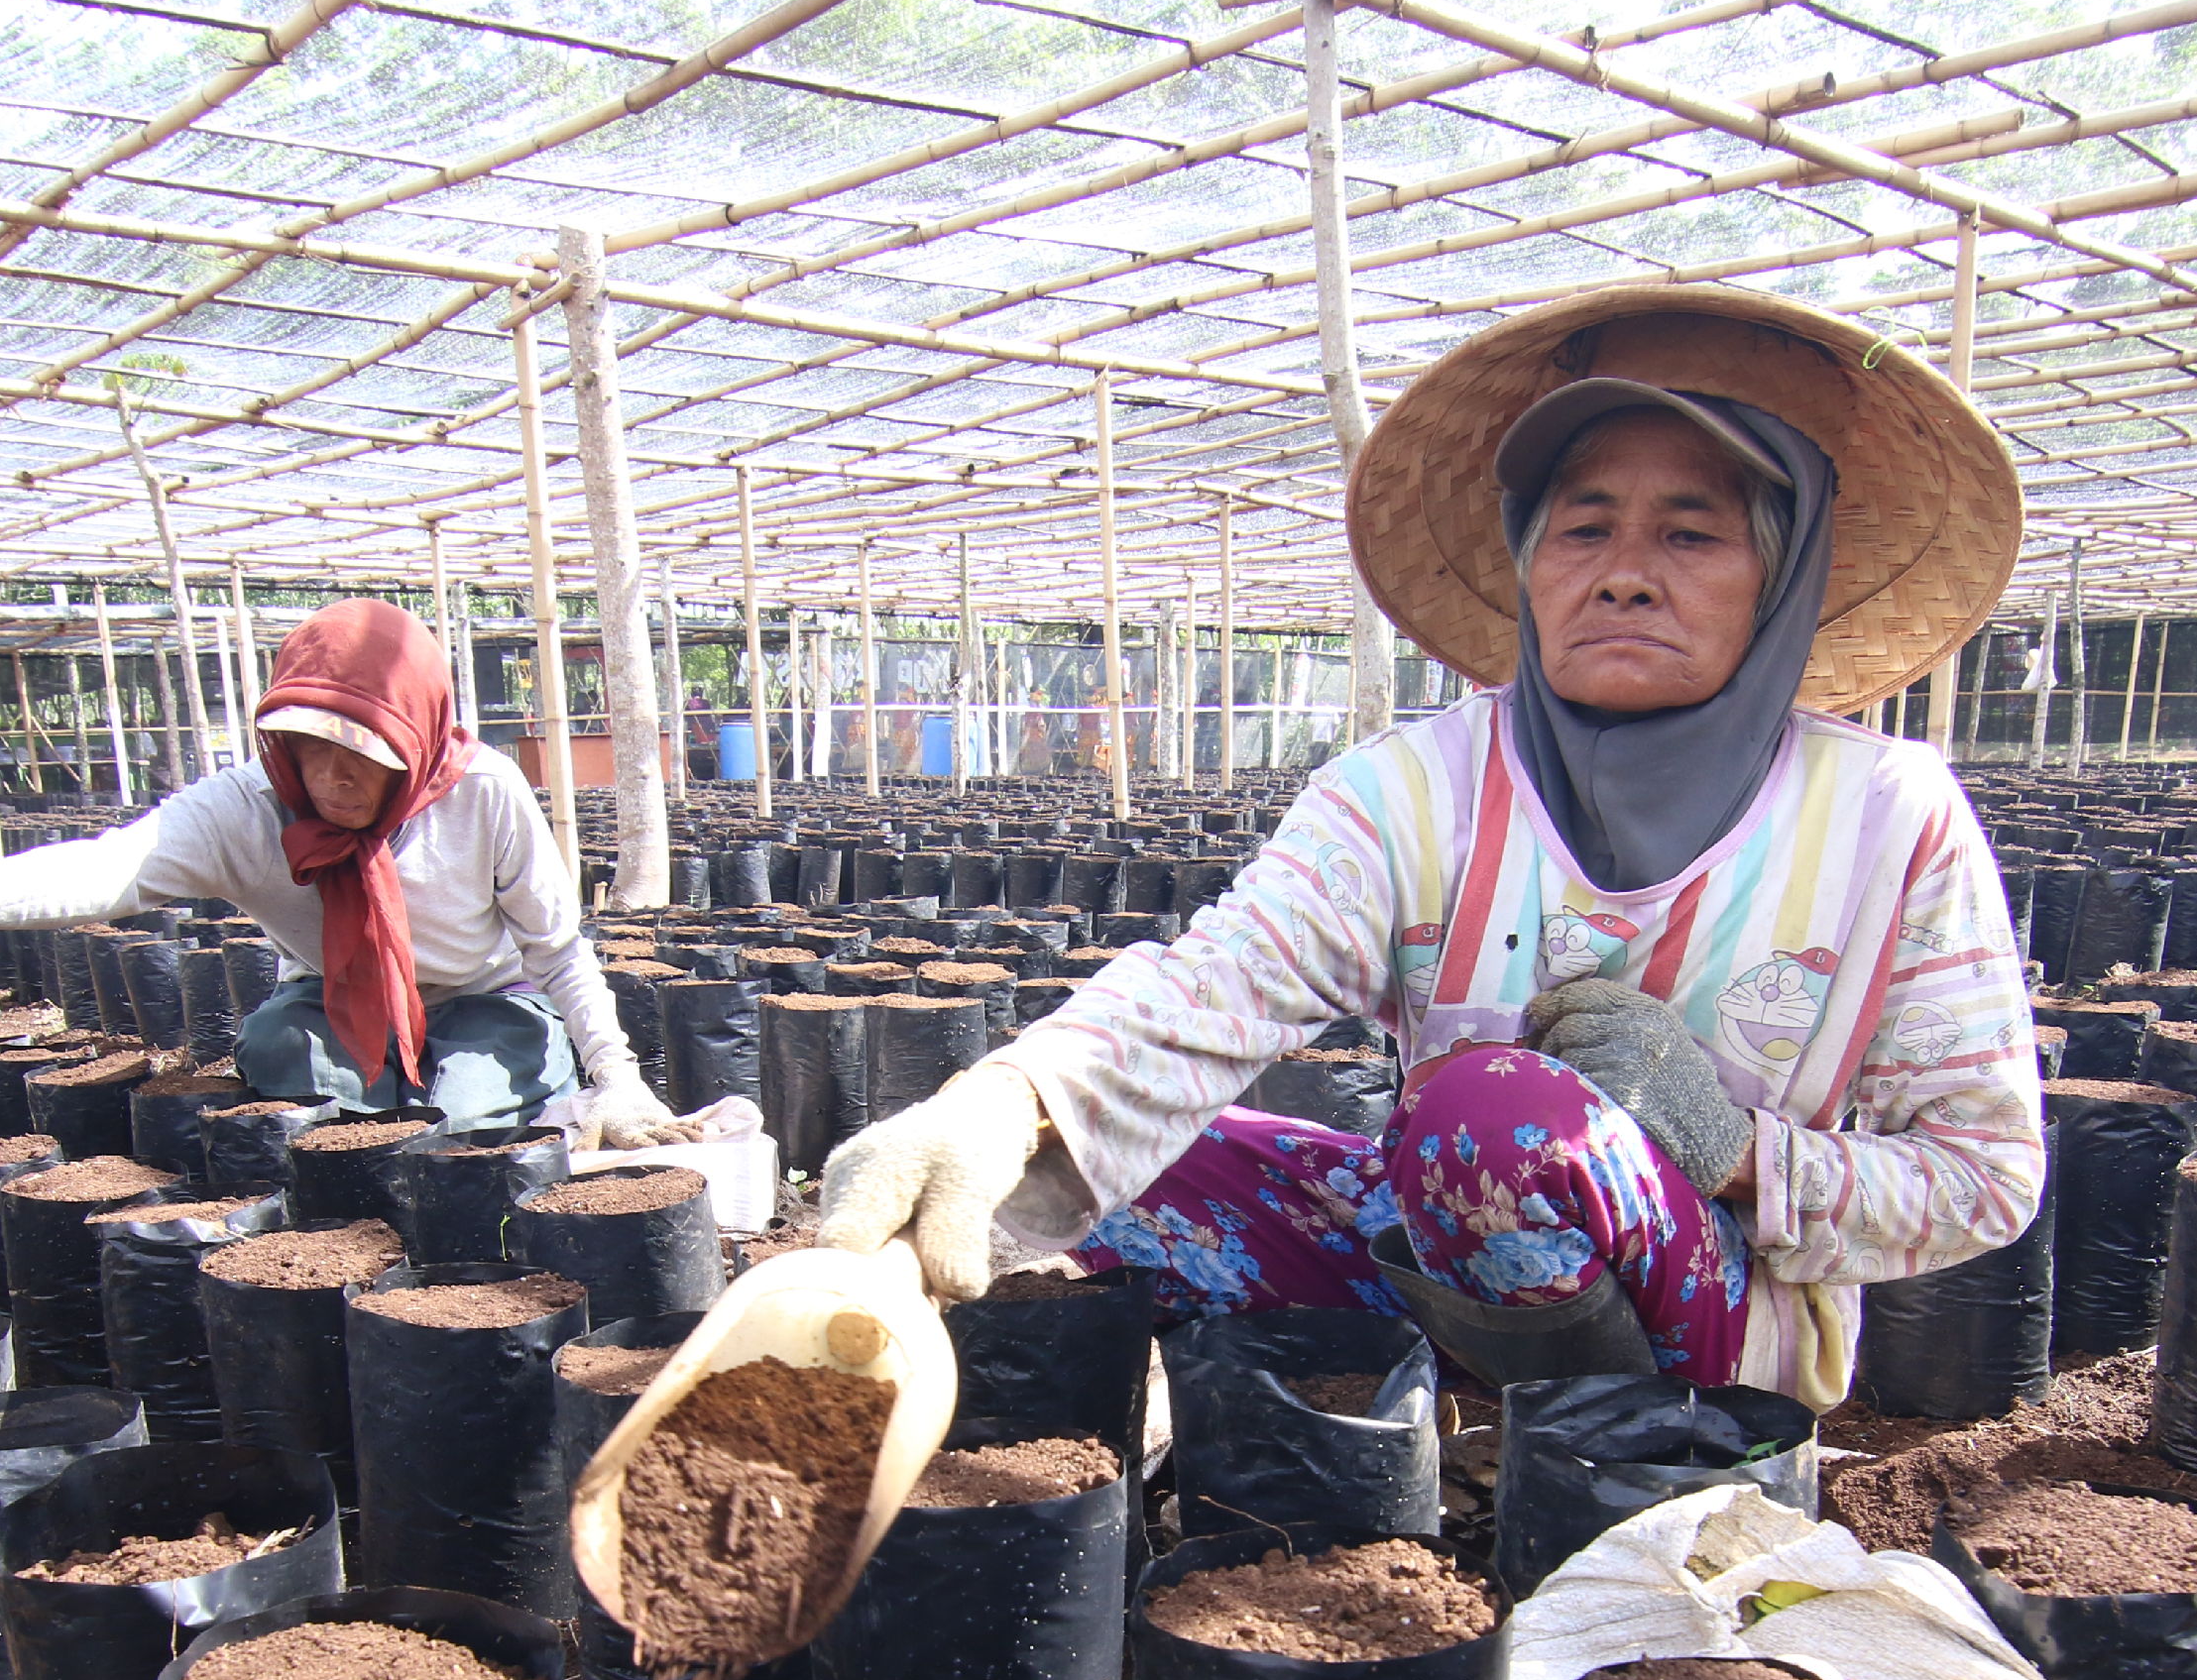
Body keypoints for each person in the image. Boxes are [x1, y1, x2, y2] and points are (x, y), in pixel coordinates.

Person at [817, 282, 2040, 1409]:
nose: (1624, 576)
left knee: (1494, 1115)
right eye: (1583, 529)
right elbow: (1221, 980)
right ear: (1527, 561)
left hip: (1716, 1329)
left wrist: (1730, 1154)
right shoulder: (1413, 789)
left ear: (1780, 573)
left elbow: (1986, 1176)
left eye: (1690, 534)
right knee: (1141, 1164)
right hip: (1447, 1251)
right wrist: (1013, 1103)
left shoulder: (1886, 817)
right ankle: (1394, 1409)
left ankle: (1582, 1453)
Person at [0, 599, 685, 1144]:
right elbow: (111, 865)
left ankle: (466, 1094)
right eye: (309, 745)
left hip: (487, 995)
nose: (332, 776)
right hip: (335, 1000)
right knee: (288, 1060)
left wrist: (618, 1075)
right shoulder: (247, 807)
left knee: (471, 1111)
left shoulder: (483, 792)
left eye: (364, 752)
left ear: (416, 741)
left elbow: (558, 948)